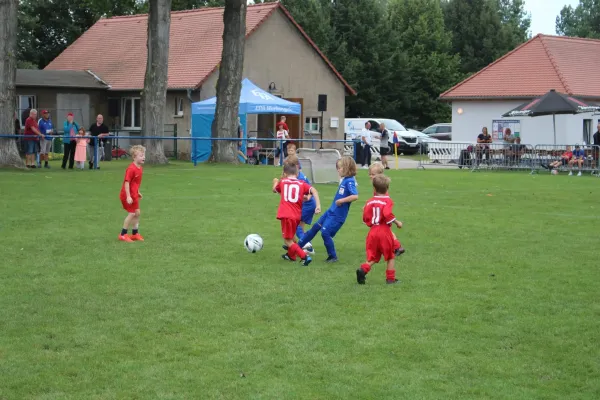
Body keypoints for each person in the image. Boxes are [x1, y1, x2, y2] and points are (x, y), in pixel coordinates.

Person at [296, 156, 358, 262]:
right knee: (315, 227)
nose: (338, 170)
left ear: (347, 168)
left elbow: (355, 196)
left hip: (338, 216)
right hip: (331, 211)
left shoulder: (350, 181)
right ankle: (296, 248)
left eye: (340, 167)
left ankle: (333, 256)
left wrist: (341, 201)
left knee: (325, 233)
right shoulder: (345, 180)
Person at [356, 174, 403, 285]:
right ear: (387, 189)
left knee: (374, 256)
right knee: (391, 255)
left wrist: (368, 221)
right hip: (384, 231)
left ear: (374, 189)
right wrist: (397, 222)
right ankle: (390, 279)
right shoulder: (388, 201)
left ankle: (363, 270)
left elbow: (365, 215)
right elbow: (387, 213)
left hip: (372, 231)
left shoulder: (369, 201)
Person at [272, 163, 321, 266]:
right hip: (297, 216)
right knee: (292, 236)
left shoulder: (283, 182)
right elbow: (314, 191)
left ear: (285, 173)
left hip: (286, 215)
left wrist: (275, 182)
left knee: (287, 240)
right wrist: (318, 205)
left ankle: (304, 256)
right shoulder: (302, 183)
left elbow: (275, 190)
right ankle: (291, 256)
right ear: (297, 172)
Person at [368, 163, 404, 255]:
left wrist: (396, 222)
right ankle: (396, 247)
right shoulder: (376, 187)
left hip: (384, 212)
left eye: (373, 174)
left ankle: (397, 247)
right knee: (385, 230)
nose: (371, 176)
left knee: (386, 230)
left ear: (380, 175)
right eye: (370, 174)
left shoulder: (381, 189)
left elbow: (384, 202)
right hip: (381, 212)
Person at [283, 154, 317, 244]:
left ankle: (306, 245)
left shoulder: (300, 178)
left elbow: (310, 190)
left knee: (296, 226)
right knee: (299, 228)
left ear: (296, 166)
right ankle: (297, 246)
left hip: (307, 205)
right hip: (304, 205)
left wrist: (307, 197)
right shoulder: (296, 176)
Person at [119, 145, 146, 242]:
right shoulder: (131, 169)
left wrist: (138, 192)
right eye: (141, 155)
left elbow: (135, 183)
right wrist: (128, 196)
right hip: (127, 195)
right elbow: (127, 183)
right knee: (132, 213)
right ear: (134, 157)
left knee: (137, 213)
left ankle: (135, 234)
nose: (143, 157)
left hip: (134, 194)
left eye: (144, 155)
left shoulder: (140, 168)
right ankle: (123, 234)